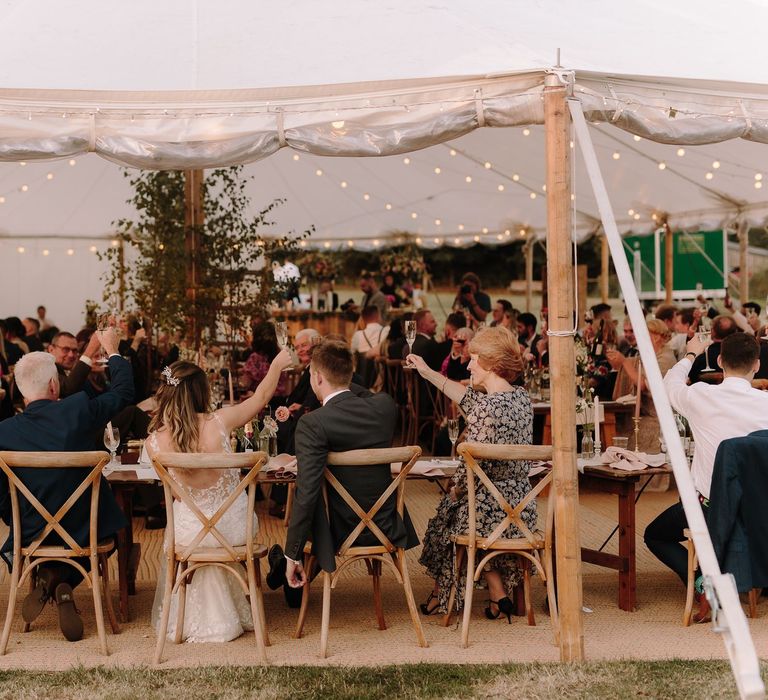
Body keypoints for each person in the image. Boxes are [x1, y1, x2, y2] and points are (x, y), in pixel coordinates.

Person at [143, 348, 292, 643]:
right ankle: (234, 606)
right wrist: (275, 364)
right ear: (201, 393)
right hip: (234, 529)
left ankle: (194, 611)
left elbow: (178, 497)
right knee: (224, 521)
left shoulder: (153, 443)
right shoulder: (220, 422)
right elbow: (261, 398)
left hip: (189, 533)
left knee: (191, 523)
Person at [0, 329, 131, 642]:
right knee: (110, 532)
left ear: (20, 391)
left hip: (31, 532)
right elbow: (125, 394)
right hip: (84, 528)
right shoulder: (78, 410)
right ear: (54, 385)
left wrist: (15, 520)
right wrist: (113, 350)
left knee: (62, 529)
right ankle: (63, 578)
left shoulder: (3, 433)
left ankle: (52, 574)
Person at [408, 326, 535, 618]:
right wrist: (427, 372)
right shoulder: (521, 399)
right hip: (521, 508)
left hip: (489, 511)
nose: (468, 365)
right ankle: (496, 593)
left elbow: (472, 469)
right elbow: (465, 396)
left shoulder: (484, 410)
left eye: (475, 359)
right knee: (457, 510)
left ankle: (443, 594)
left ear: (491, 363)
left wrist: (457, 489)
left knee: (449, 515)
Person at [645, 332, 768, 622]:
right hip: (760, 511)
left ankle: (703, 583)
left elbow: (667, 387)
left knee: (654, 535)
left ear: (721, 361)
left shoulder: (701, 396)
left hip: (710, 510)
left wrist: (691, 355)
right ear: (757, 365)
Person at [283, 340, 418, 588]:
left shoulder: (313, 423)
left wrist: (292, 552)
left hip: (337, 532)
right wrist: (340, 378)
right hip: (386, 526)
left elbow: (307, 491)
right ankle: (280, 566)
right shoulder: (384, 407)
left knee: (301, 523)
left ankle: (284, 565)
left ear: (317, 377)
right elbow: (364, 393)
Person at [607, 319, 676, 452]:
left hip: (657, 418)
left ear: (656, 337)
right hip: (645, 412)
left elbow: (644, 385)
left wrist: (624, 362)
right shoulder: (650, 356)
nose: (640, 338)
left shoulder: (665, 358)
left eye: (644, 335)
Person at [241, 321, 290, 399]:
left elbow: (244, 384)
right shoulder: (281, 355)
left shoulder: (255, 358)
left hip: (262, 403)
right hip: (280, 401)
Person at [48, 331, 102, 398]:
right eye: (65, 349)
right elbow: (68, 389)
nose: (71, 355)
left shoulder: (76, 372)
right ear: (51, 349)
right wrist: (91, 348)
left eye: (74, 350)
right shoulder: (45, 368)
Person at [688, 315, 738, 384]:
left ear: (712, 332)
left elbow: (692, 378)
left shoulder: (701, 357)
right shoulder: (742, 356)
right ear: (735, 332)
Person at [351, 306, 389, 390]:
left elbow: (352, 354)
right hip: (383, 376)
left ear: (363, 319)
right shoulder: (386, 330)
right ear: (378, 316)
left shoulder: (358, 335)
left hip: (362, 377)